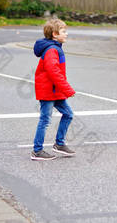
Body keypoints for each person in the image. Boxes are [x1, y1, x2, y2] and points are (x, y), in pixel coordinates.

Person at [31, 19, 76, 161]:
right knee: (45, 120)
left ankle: (59, 144)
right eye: (64, 31)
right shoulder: (52, 50)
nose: (67, 34)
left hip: (55, 91)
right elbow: (53, 72)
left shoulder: (56, 47)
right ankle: (37, 151)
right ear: (55, 34)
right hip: (48, 91)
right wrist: (67, 89)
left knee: (68, 114)